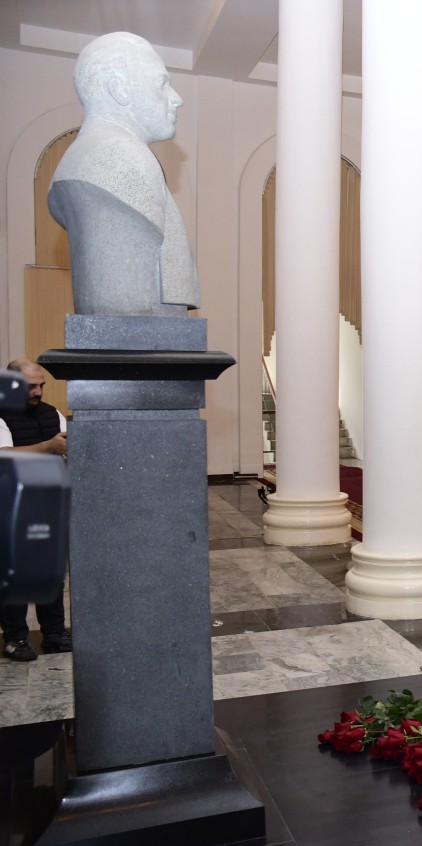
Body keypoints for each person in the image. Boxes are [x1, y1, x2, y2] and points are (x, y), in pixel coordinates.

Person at [48, 32, 198, 317]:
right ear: (120, 90)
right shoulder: (117, 159)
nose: (176, 99)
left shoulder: (102, 155)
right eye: (162, 84)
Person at [1, 359, 72, 662]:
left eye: (41, 384)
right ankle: (16, 638)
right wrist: (48, 447)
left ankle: (54, 632)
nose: (38, 391)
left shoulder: (53, 414)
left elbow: (67, 449)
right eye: (32, 386)